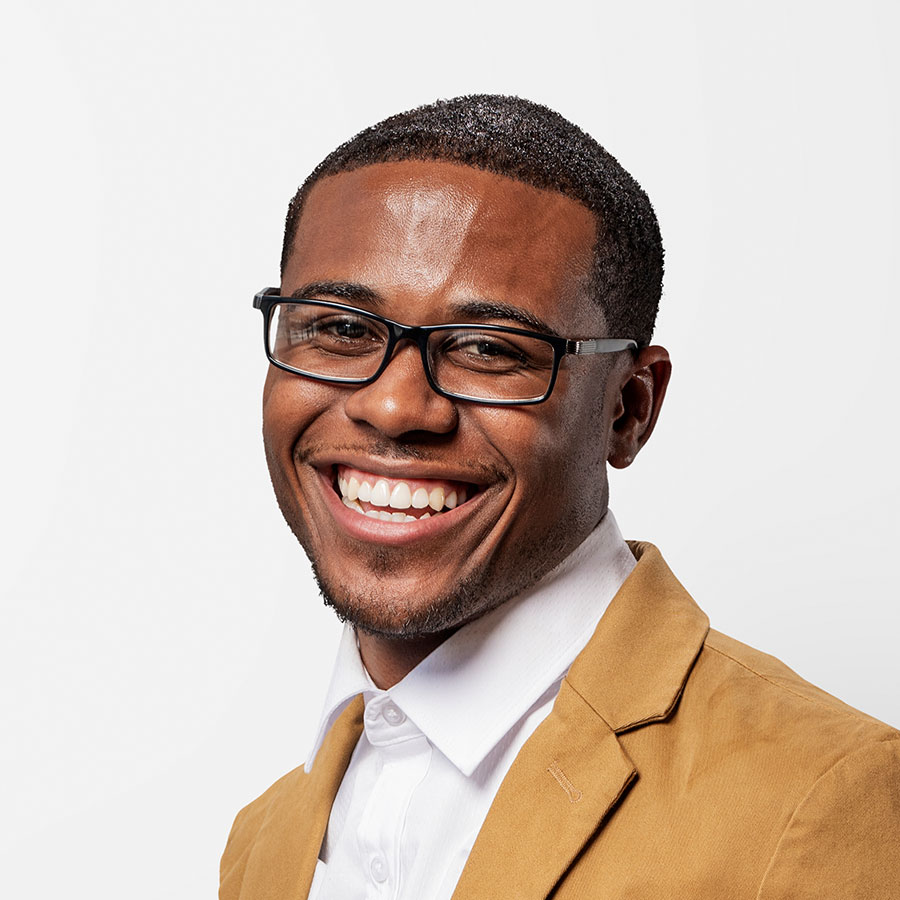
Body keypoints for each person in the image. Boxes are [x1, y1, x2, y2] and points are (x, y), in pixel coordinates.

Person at [219, 95, 900, 899]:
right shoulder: (263, 844)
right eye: (339, 329)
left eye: (488, 348)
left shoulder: (823, 797)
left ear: (629, 408)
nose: (396, 407)